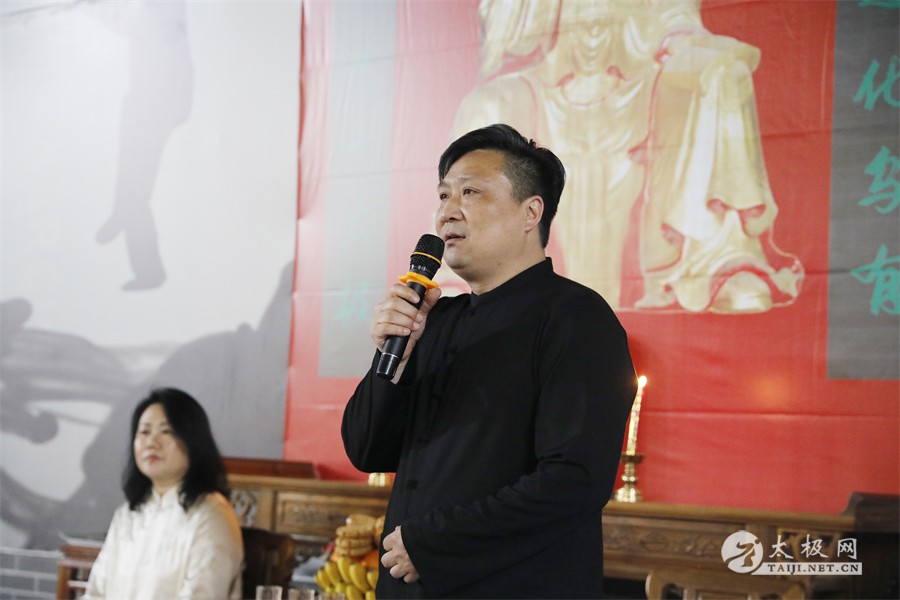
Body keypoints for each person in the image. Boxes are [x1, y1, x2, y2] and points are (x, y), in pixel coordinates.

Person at [342, 124, 637, 598]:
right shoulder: (434, 319)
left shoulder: (577, 317)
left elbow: (574, 480)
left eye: (470, 192)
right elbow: (366, 449)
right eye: (443, 195)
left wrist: (436, 544)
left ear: (531, 212)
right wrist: (391, 355)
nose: (447, 211)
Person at [84, 387, 244, 599]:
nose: (152, 442)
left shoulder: (211, 514)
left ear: (193, 440)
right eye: (144, 432)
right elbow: (96, 593)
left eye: (166, 431)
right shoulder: (127, 515)